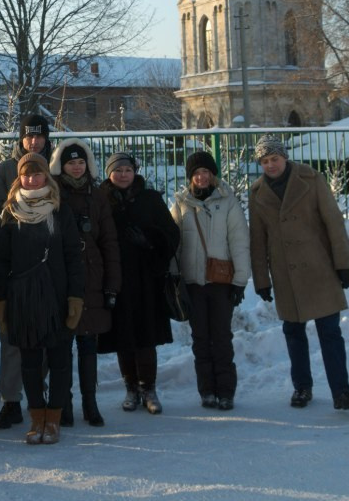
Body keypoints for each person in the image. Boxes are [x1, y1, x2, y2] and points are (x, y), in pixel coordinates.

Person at [248, 135, 349, 411]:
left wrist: (342, 264)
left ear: (284, 157)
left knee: (330, 333)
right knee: (293, 333)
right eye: (264, 161)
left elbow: (333, 221)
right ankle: (302, 387)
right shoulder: (256, 192)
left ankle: (342, 392)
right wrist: (262, 280)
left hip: (319, 267)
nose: (270, 165)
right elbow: (257, 239)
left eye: (274, 158)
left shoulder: (311, 179)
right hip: (285, 273)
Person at [0, 152, 85, 444]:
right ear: (19, 178)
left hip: (56, 296)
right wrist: (2, 300)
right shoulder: (10, 213)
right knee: (30, 362)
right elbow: (2, 261)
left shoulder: (60, 211)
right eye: (26, 174)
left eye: (37, 174)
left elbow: (73, 256)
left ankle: (54, 420)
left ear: (46, 176)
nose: (31, 179)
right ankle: (36, 419)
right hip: (23, 298)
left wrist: (75, 297)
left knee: (59, 360)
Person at [97, 152, 179, 415]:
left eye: (128, 170)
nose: (123, 175)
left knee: (146, 336)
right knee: (123, 336)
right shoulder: (100, 200)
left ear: (135, 172)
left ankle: (149, 388)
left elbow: (171, 233)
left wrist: (150, 242)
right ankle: (131, 388)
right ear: (109, 173)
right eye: (117, 170)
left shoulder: (150, 198)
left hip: (146, 278)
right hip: (116, 278)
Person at [0, 113, 52, 430]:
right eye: (29, 136)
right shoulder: (5, 171)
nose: (34, 141)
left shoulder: (56, 166)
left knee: (46, 336)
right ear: (21, 138)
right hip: (14, 271)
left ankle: (42, 397)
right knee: (12, 338)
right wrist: (10, 259)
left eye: (39, 136)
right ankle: (10, 400)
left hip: (48, 271)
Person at [171, 151, 250, 411]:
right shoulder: (181, 204)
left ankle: (226, 391)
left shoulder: (228, 202)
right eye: (196, 173)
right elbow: (174, 245)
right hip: (193, 284)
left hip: (221, 282)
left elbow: (239, 242)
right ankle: (206, 391)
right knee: (200, 339)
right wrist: (174, 278)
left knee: (222, 338)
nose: (201, 177)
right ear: (190, 176)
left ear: (212, 174)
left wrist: (240, 281)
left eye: (206, 172)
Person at [49, 138, 120, 427]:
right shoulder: (53, 194)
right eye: (70, 162)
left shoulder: (98, 195)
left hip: (92, 277)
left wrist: (112, 283)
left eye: (81, 162)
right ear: (61, 165)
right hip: (63, 278)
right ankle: (63, 405)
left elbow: (109, 241)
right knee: (63, 346)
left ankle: (90, 403)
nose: (76, 168)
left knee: (88, 346)